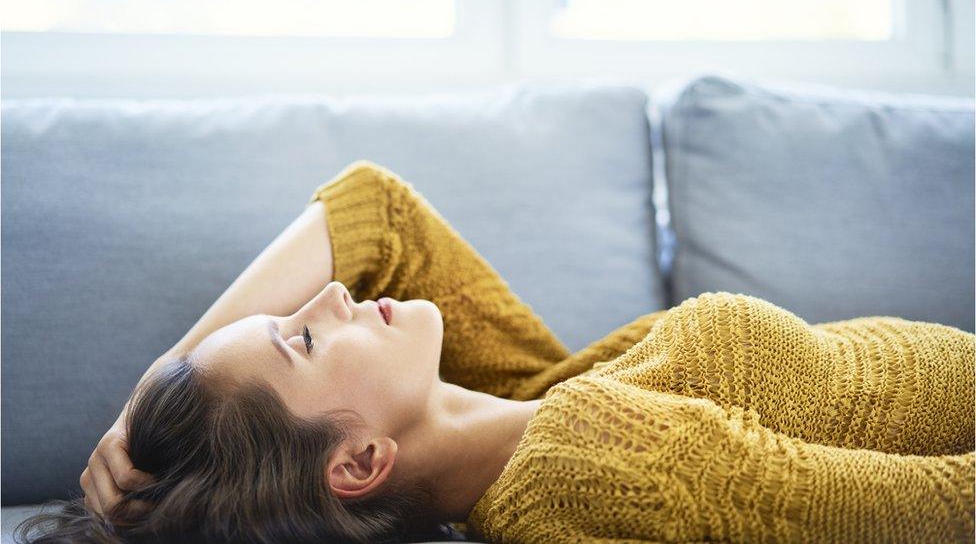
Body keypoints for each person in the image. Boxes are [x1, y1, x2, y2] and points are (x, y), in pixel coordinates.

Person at [17, 161, 974, 543]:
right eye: (303, 337)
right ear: (358, 461)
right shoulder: (587, 456)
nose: (330, 293)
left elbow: (374, 209)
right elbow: (923, 513)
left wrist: (152, 395)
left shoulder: (517, 403)